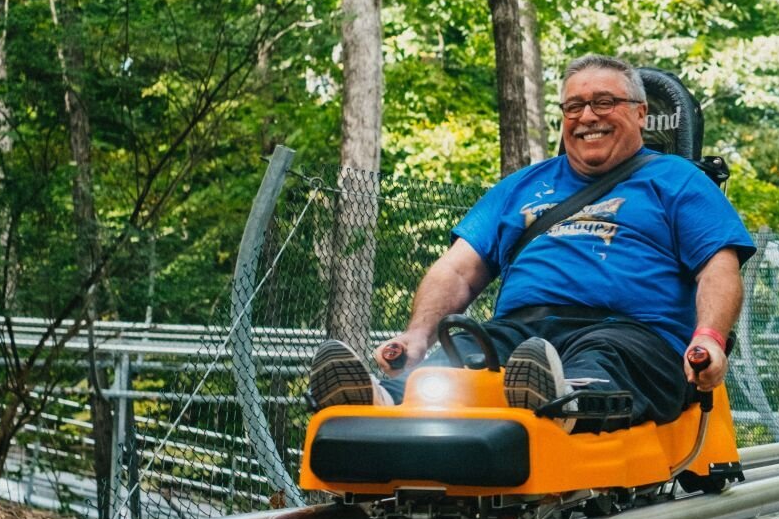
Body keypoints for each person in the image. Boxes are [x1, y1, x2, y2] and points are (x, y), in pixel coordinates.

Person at [308, 54, 755, 432]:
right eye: (574, 106)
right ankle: (377, 401)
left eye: (604, 102)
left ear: (640, 113)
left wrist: (709, 338)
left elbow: (718, 266)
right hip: (524, 334)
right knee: (464, 355)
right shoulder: (521, 186)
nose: (587, 116)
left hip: (631, 333)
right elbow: (458, 269)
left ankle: (562, 405)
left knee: (600, 359)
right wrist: (418, 335)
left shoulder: (679, 181)